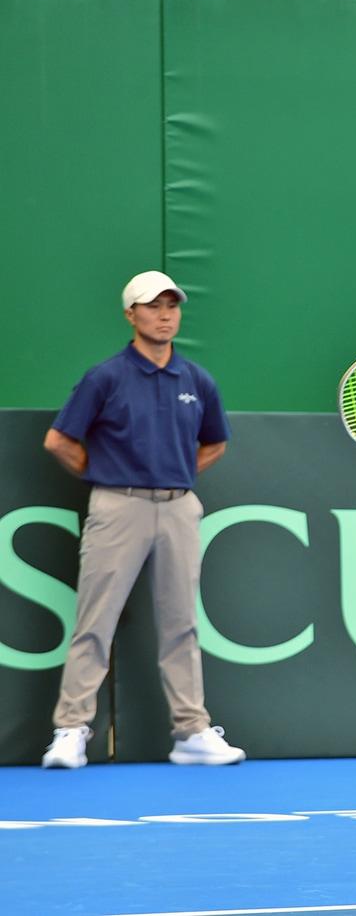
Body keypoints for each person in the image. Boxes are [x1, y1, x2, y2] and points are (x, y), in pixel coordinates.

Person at [40, 271, 245, 769]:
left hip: (179, 508)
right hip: (117, 506)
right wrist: (111, 476)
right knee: (95, 622)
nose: (165, 315)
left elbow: (215, 443)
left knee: (181, 624)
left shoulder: (197, 380)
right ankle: (70, 731)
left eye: (172, 306)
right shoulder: (105, 377)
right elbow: (59, 441)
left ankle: (191, 732)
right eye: (153, 307)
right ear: (131, 314)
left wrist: (170, 477)